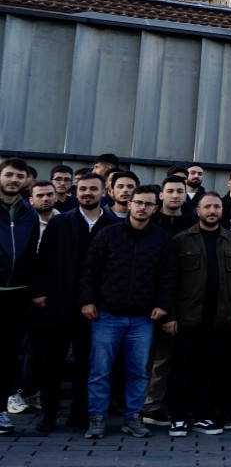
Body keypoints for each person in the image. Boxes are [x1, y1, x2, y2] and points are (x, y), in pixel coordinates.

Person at [78, 185, 175, 440]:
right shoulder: (108, 234)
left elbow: (168, 275)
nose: (142, 207)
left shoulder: (161, 238)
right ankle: (97, 417)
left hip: (143, 318)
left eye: (148, 204)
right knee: (100, 370)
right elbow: (90, 269)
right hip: (106, 315)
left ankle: (133, 416)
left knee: (138, 371)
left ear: (155, 208)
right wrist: (86, 301)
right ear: (129, 204)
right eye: (138, 202)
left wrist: (163, 304)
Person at [30, 171, 113, 434]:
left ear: (103, 192)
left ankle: (79, 414)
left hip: (95, 307)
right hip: (58, 304)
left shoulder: (112, 225)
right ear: (76, 192)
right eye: (83, 189)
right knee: (51, 364)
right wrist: (39, 292)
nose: (87, 193)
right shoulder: (60, 222)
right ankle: (49, 414)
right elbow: (43, 260)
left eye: (93, 189)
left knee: (87, 364)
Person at [165, 193, 231, 437]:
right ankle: (178, 418)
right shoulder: (181, 240)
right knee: (183, 369)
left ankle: (204, 416)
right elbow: (170, 281)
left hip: (221, 318)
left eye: (216, 207)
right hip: (188, 318)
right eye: (207, 207)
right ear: (198, 210)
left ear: (222, 211)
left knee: (212, 370)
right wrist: (170, 316)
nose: (212, 211)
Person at [0, 158, 38, 437]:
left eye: (19, 176)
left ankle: (0, 409)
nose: (14, 180)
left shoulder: (29, 213)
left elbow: (32, 253)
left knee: (8, 356)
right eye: (9, 174)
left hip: (18, 294)